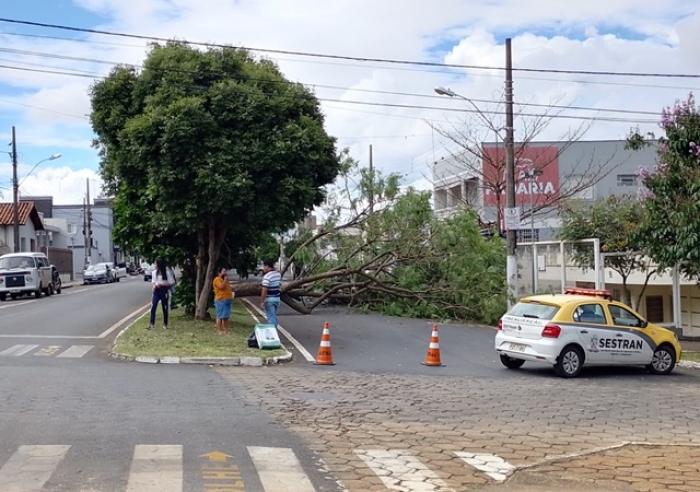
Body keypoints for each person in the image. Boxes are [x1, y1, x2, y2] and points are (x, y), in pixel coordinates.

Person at [149, 258, 174, 330]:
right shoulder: (154, 272)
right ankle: (151, 323)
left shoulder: (167, 272)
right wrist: (154, 286)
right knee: (153, 306)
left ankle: (165, 324)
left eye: (155, 263)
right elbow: (153, 281)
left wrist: (161, 284)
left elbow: (171, 283)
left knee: (165, 307)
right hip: (156, 291)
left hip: (164, 291)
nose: (154, 265)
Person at [260, 259, 282, 328]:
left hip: (269, 300)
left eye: (264, 266)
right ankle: (274, 331)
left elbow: (264, 290)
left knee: (271, 318)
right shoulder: (278, 274)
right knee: (273, 316)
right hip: (277, 299)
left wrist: (262, 301)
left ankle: (273, 334)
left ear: (267, 266)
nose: (263, 268)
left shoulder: (267, 277)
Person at [213, 267, 234, 335]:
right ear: (219, 273)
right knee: (220, 316)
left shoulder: (225, 280)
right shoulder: (217, 279)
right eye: (224, 271)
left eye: (225, 271)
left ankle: (225, 331)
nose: (225, 273)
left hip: (227, 300)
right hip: (220, 300)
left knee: (226, 317)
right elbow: (221, 287)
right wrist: (225, 280)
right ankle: (219, 330)